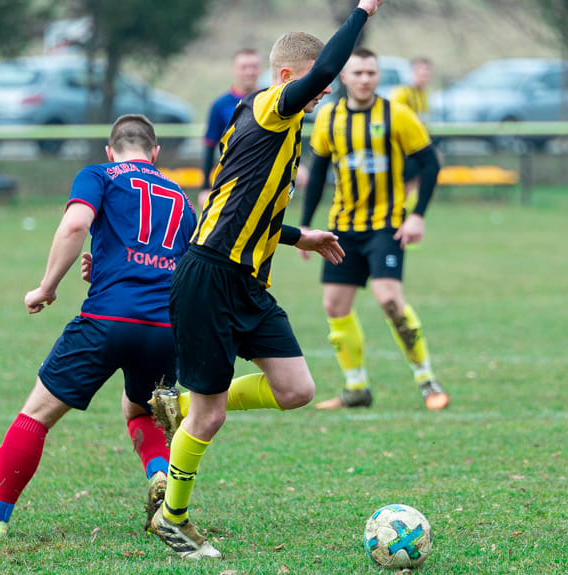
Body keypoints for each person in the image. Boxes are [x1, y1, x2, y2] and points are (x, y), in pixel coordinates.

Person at [147, 0, 383, 561]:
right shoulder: (271, 108)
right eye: (313, 84)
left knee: (297, 390)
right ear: (285, 78)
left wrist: (303, 237)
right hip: (208, 276)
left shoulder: (283, 129)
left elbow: (249, 209)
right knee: (212, 416)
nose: (323, 92)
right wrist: (361, 11)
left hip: (247, 282)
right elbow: (326, 71)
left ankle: (180, 407)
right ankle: (173, 519)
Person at [0, 114, 196, 537]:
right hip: (165, 327)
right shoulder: (183, 198)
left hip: (107, 320)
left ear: (109, 150)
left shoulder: (98, 174)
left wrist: (46, 287)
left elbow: (77, 223)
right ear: (156, 153)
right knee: (141, 410)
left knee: (36, 416)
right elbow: (178, 264)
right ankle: (158, 474)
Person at [298, 48, 449, 412]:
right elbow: (317, 173)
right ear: (344, 79)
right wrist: (306, 224)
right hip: (342, 229)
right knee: (334, 305)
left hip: (386, 225)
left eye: (371, 73)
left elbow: (430, 163)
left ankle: (426, 379)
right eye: (358, 73)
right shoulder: (328, 117)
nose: (365, 79)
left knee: (389, 300)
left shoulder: (396, 115)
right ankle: (356, 388)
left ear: (378, 77)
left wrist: (418, 215)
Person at [198, 48, 262, 209]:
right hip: (231, 182)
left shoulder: (270, 100)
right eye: (244, 67)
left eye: (254, 67)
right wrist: (205, 187)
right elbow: (209, 145)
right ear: (234, 70)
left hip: (264, 179)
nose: (249, 72)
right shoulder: (220, 105)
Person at [390, 57, 435, 210]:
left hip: (418, 146)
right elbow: (391, 118)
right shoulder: (402, 93)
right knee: (404, 184)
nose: (424, 77)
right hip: (404, 148)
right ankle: (399, 212)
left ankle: (407, 212)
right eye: (421, 72)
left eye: (427, 74)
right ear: (412, 73)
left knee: (417, 181)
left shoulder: (424, 94)